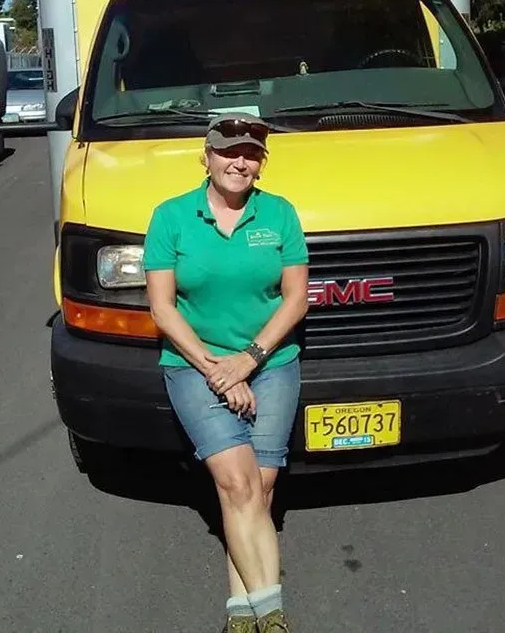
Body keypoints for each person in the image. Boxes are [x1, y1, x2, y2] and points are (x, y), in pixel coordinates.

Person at [144, 112, 309, 633]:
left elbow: (296, 298)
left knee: (258, 490)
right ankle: (274, 617)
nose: (240, 160)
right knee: (236, 482)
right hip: (195, 364)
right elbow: (162, 309)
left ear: (261, 163)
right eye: (229, 150)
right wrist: (220, 370)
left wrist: (250, 360)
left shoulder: (279, 214)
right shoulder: (170, 217)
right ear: (206, 155)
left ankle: (240, 612)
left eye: (253, 152)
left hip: (271, 362)